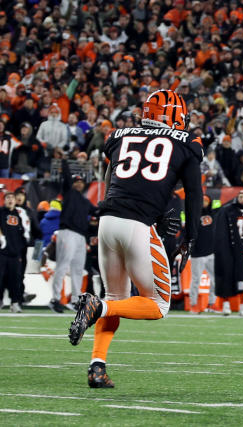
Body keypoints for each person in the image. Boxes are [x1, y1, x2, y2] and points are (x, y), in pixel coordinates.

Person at [67, 89, 203, 388]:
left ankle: (97, 367)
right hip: (136, 226)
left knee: (115, 297)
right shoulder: (188, 143)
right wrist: (189, 239)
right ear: (175, 116)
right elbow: (194, 195)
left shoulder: (118, 135)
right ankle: (96, 307)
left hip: (108, 221)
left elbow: (114, 181)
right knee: (157, 306)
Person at [51, 160, 97, 311]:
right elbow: (66, 177)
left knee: (78, 269)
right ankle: (55, 298)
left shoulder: (85, 201)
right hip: (67, 232)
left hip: (80, 236)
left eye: (81, 182)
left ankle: (76, 300)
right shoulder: (69, 193)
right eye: (76, 181)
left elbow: (97, 212)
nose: (78, 184)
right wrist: (65, 161)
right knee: (63, 266)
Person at [188, 195, 218, 313]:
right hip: (197, 253)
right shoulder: (193, 214)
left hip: (211, 252)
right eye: (202, 201)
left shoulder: (213, 213)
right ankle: (193, 304)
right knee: (196, 280)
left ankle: (212, 304)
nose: (204, 203)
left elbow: (221, 204)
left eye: (206, 201)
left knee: (215, 280)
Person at [0, 192, 28, 312]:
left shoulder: (20, 213)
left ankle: (15, 302)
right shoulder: (0, 212)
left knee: (16, 279)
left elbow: (24, 231)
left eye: (12, 198)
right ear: (4, 200)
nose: (10, 200)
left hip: (16, 252)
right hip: (1, 251)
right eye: (7, 198)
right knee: (0, 278)